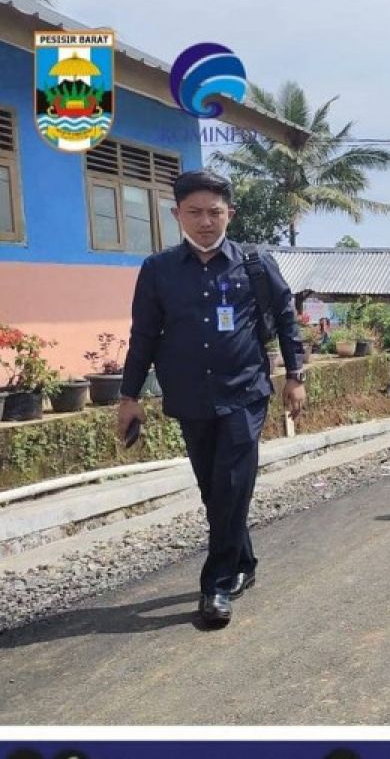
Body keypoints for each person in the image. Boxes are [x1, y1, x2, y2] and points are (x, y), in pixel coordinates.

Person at [116, 169, 306, 627]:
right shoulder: (158, 270)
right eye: (195, 212)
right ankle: (244, 562)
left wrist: (296, 376)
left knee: (233, 484)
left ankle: (215, 586)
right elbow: (143, 335)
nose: (206, 222)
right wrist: (129, 396)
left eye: (215, 212)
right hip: (189, 397)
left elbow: (285, 318)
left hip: (245, 393)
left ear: (230, 214)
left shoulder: (255, 264)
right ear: (177, 214)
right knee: (214, 489)